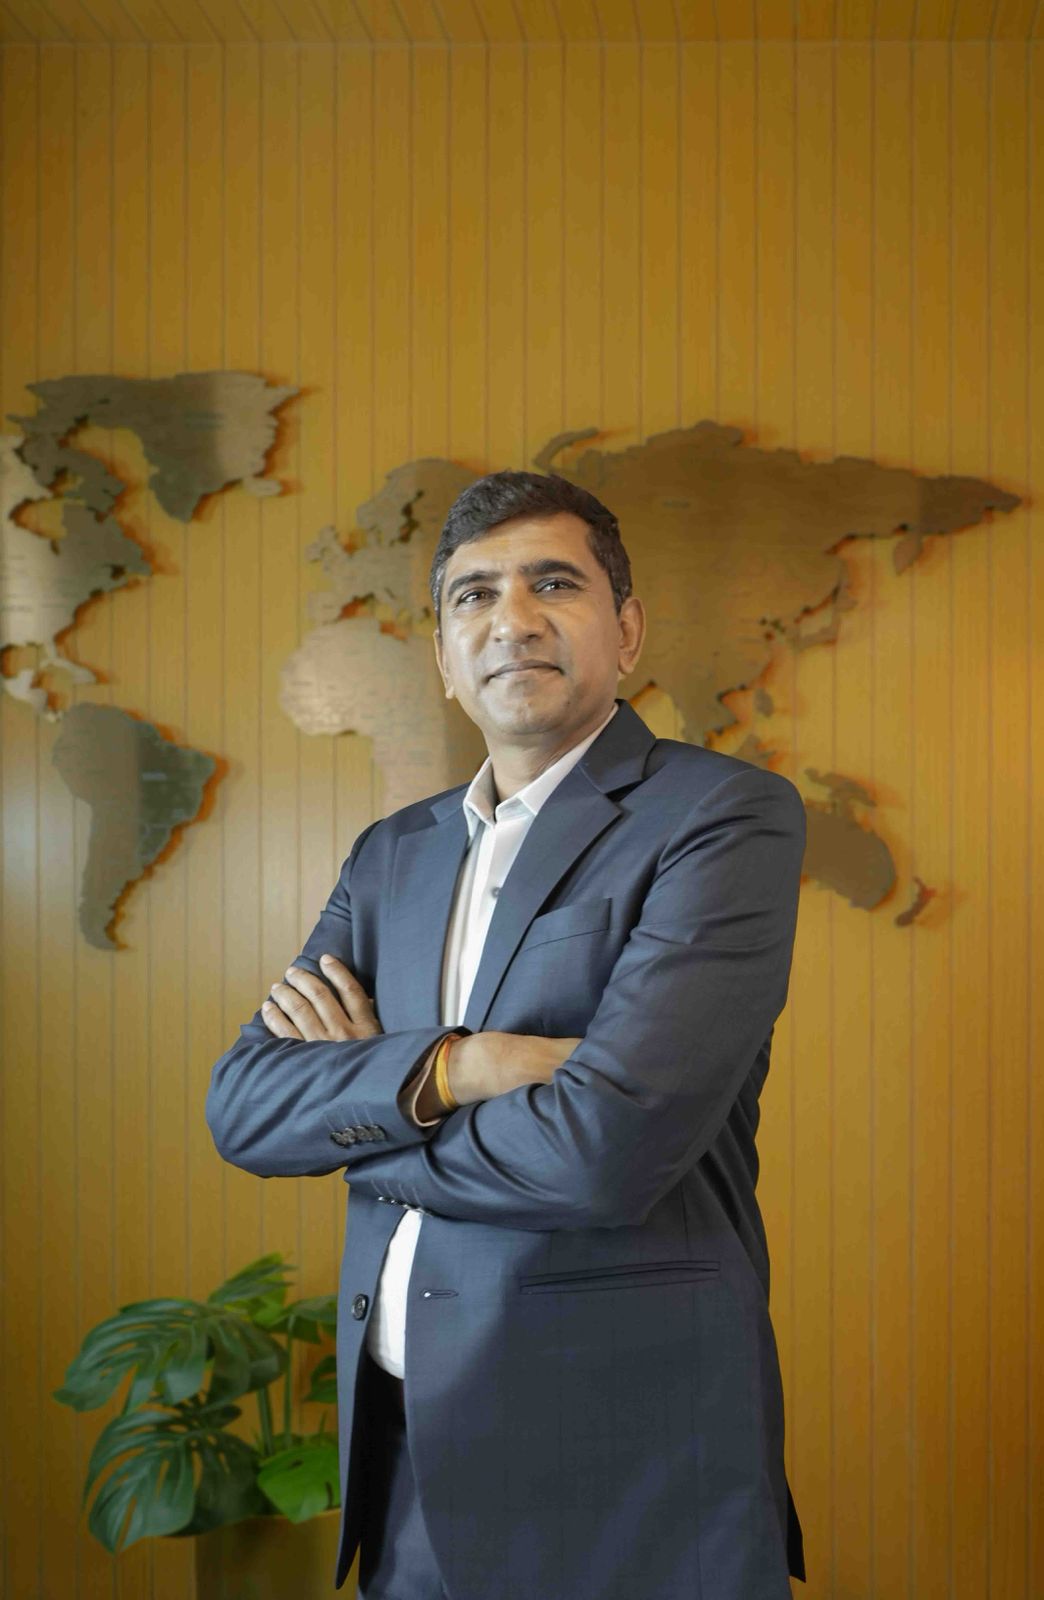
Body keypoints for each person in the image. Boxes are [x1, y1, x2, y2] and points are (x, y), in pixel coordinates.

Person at [206, 469, 808, 1600]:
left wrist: (360, 1106)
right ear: (443, 654)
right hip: (405, 1465)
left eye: (553, 584)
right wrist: (460, 1065)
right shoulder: (395, 852)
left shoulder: (721, 817)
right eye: (473, 595)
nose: (511, 618)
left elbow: (606, 1149)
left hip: (625, 1473)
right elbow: (242, 1104)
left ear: (625, 630)